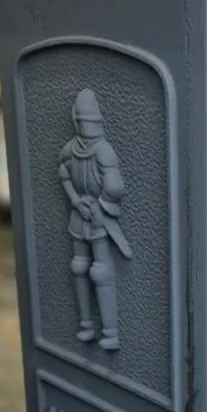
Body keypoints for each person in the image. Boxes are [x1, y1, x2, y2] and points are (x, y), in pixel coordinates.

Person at [58, 88, 130, 351]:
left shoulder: (103, 150)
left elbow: (115, 187)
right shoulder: (71, 149)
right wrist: (77, 201)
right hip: (81, 213)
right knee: (79, 266)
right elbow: (63, 173)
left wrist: (98, 205)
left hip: (96, 215)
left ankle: (109, 332)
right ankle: (87, 326)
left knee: (101, 270)